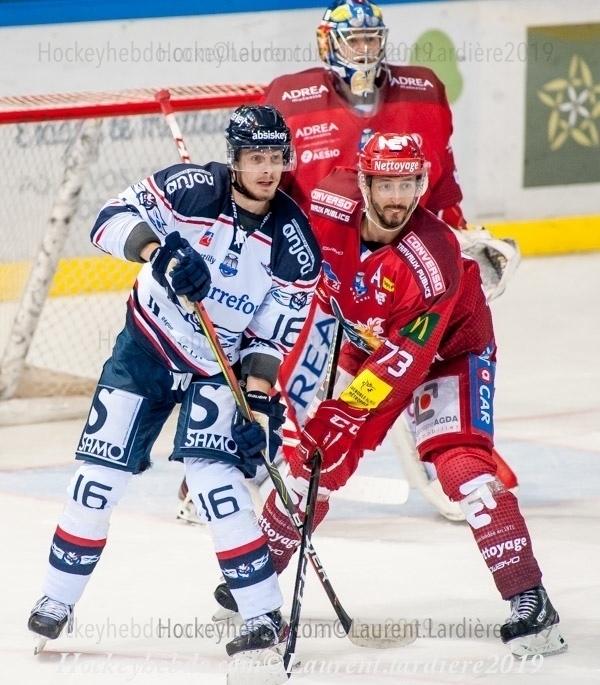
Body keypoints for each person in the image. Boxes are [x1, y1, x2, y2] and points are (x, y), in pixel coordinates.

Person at [214, 132, 567, 659]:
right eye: (386, 184)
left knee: (462, 470)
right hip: (368, 342)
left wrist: (342, 417)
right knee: (313, 461)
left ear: (421, 184)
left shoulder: (434, 258)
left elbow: (400, 367)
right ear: (364, 183)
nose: (397, 197)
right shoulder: (325, 203)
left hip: (448, 352)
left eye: (407, 184)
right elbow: (265, 210)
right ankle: (256, 583)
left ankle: (531, 601)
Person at [27, 105, 321, 658]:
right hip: (146, 347)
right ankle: (56, 598)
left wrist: (257, 406)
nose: (266, 169)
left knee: (217, 485)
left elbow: (269, 340)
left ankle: (262, 614)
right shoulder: (193, 188)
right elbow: (107, 219)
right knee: (96, 479)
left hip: (218, 366)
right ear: (234, 159)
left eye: (275, 157)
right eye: (255, 157)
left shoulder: (296, 245)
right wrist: (159, 253)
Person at [259, 0, 520, 520]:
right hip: (320, 268)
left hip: (398, 264)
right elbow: (272, 190)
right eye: (353, 40)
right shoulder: (291, 99)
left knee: (408, 360)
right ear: (327, 43)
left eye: (370, 39)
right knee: (294, 378)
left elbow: (441, 186)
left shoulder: (421, 92)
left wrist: (460, 236)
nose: (363, 50)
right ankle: (258, 466)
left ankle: (452, 457)